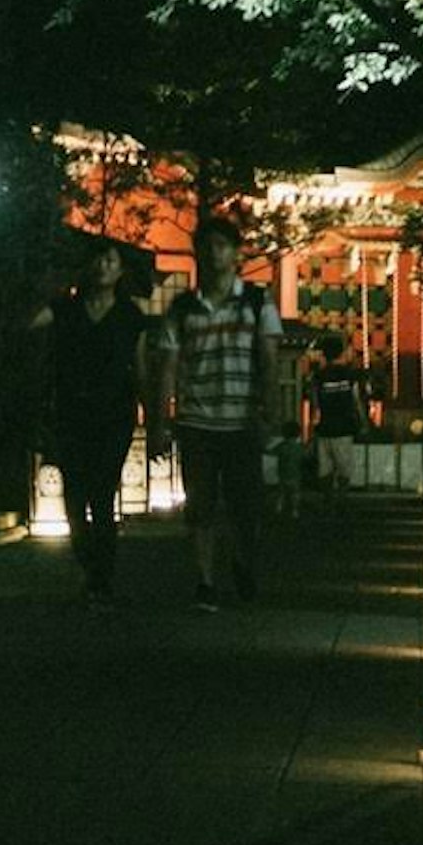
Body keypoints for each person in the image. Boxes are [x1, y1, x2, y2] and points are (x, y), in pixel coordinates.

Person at [34, 240, 160, 599]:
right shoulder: (67, 309)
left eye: (111, 260)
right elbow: (29, 324)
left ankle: (101, 576)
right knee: (74, 495)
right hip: (71, 413)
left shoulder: (129, 316)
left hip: (113, 416)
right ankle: (88, 559)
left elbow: (140, 370)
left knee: (102, 493)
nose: (103, 266)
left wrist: (152, 421)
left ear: (120, 270)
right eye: (98, 260)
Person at [168, 216, 281, 608]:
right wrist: (163, 418)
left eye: (222, 246)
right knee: (199, 506)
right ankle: (205, 580)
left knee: (244, 505)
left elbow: (268, 359)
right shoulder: (182, 308)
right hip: (196, 420)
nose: (214, 254)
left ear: (237, 253)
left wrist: (267, 411)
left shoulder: (257, 301)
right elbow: (168, 362)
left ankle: (242, 562)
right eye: (207, 246)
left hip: (241, 419)